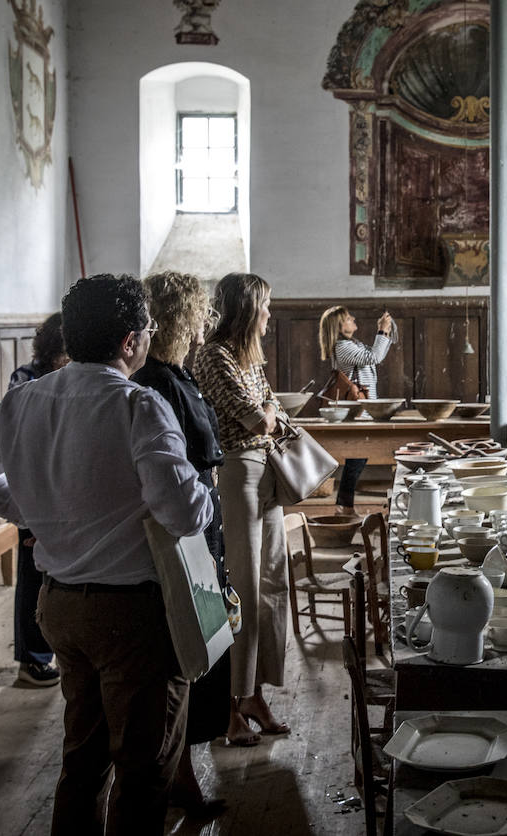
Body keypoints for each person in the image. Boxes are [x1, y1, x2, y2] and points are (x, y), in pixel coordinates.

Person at [0, 274, 213, 835]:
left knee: (83, 763)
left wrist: (31, 513)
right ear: (129, 342)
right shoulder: (138, 405)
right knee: (144, 772)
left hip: (61, 607)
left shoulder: (24, 400)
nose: (149, 338)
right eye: (148, 330)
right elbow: (183, 513)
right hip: (133, 616)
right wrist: (204, 493)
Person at [132, 272, 229, 818]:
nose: (203, 326)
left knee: (206, 646)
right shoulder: (157, 384)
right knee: (187, 652)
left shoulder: (176, 374)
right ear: (179, 319)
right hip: (181, 530)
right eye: (196, 316)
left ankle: (182, 774)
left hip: (201, 525)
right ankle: (177, 780)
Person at [194, 272, 291, 745]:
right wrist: (267, 415)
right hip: (238, 474)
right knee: (244, 589)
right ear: (248, 308)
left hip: (267, 470)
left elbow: (271, 404)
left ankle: (253, 693)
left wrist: (267, 413)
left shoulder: (249, 357)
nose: (271, 314)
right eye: (266, 306)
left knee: (273, 583)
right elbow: (258, 416)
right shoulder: (214, 355)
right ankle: (230, 707)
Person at [7, 312, 69, 688]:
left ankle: (55, 649)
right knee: (33, 574)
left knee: (58, 571)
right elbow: (19, 435)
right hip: (33, 487)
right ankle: (31, 659)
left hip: (62, 485)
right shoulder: (26, 378)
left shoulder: (68, 377)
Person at [318, 305, 394, 514]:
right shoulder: (342, 346)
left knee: (357, 458)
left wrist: (384, 332)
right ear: (338, 326)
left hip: (363, 408)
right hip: (358, 410)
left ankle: (344, 506)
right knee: (356, 458)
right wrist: (382, 331)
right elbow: (374, 358)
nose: (353, 319)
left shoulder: (352, 344)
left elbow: (374, 355)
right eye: (348, 318)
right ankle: (344, 506)